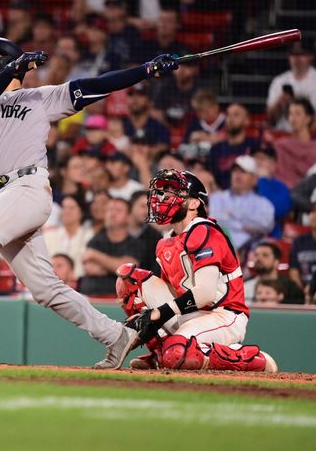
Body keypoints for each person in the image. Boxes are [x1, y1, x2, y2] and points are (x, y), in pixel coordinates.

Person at [0, 35, 180, 370]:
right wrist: (13, 68)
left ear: (8, 61)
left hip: (28, 187)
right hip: (0, 197)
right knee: (46, 289)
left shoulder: (41, 98)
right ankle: (116, 336)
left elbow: (97, 84)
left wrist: (146, 70)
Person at [118, 169, 277, 372]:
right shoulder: (165, 242)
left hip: (223, 314)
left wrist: (158, 314)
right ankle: (159, 354)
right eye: (163, 192)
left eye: (174, 192)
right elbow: (172, 291)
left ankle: (253, 359)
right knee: (129, 279)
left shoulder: (204, 230)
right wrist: (145, 316)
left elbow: (205, 294)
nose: (164, 197)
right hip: (190, 312)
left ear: (194, 203)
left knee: (177, 355)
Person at [208, 155, 274, 251]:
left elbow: (265, 225)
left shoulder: (263, 204)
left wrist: (231, 216)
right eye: (235, 171)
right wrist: (245, 226)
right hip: (217, 248)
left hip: (248, 250)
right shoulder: (217, 198)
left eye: (243, 172)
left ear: (254, 179)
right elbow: (215, 222)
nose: (237, 175)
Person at [266, 41, 316, 131]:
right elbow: (270, 118)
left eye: (301, 54)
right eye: (293, 54)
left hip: (311, 134)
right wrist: (279, 103)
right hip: (284, 133)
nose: (297, 58)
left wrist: (307, 135)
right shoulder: (279, 81)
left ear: (311, 56)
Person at [244, 240, 304, 304]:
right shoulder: (244, 286)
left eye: (265, 255)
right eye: (256, 255)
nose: (258, 258)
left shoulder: (291, 288)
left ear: (276, 262)